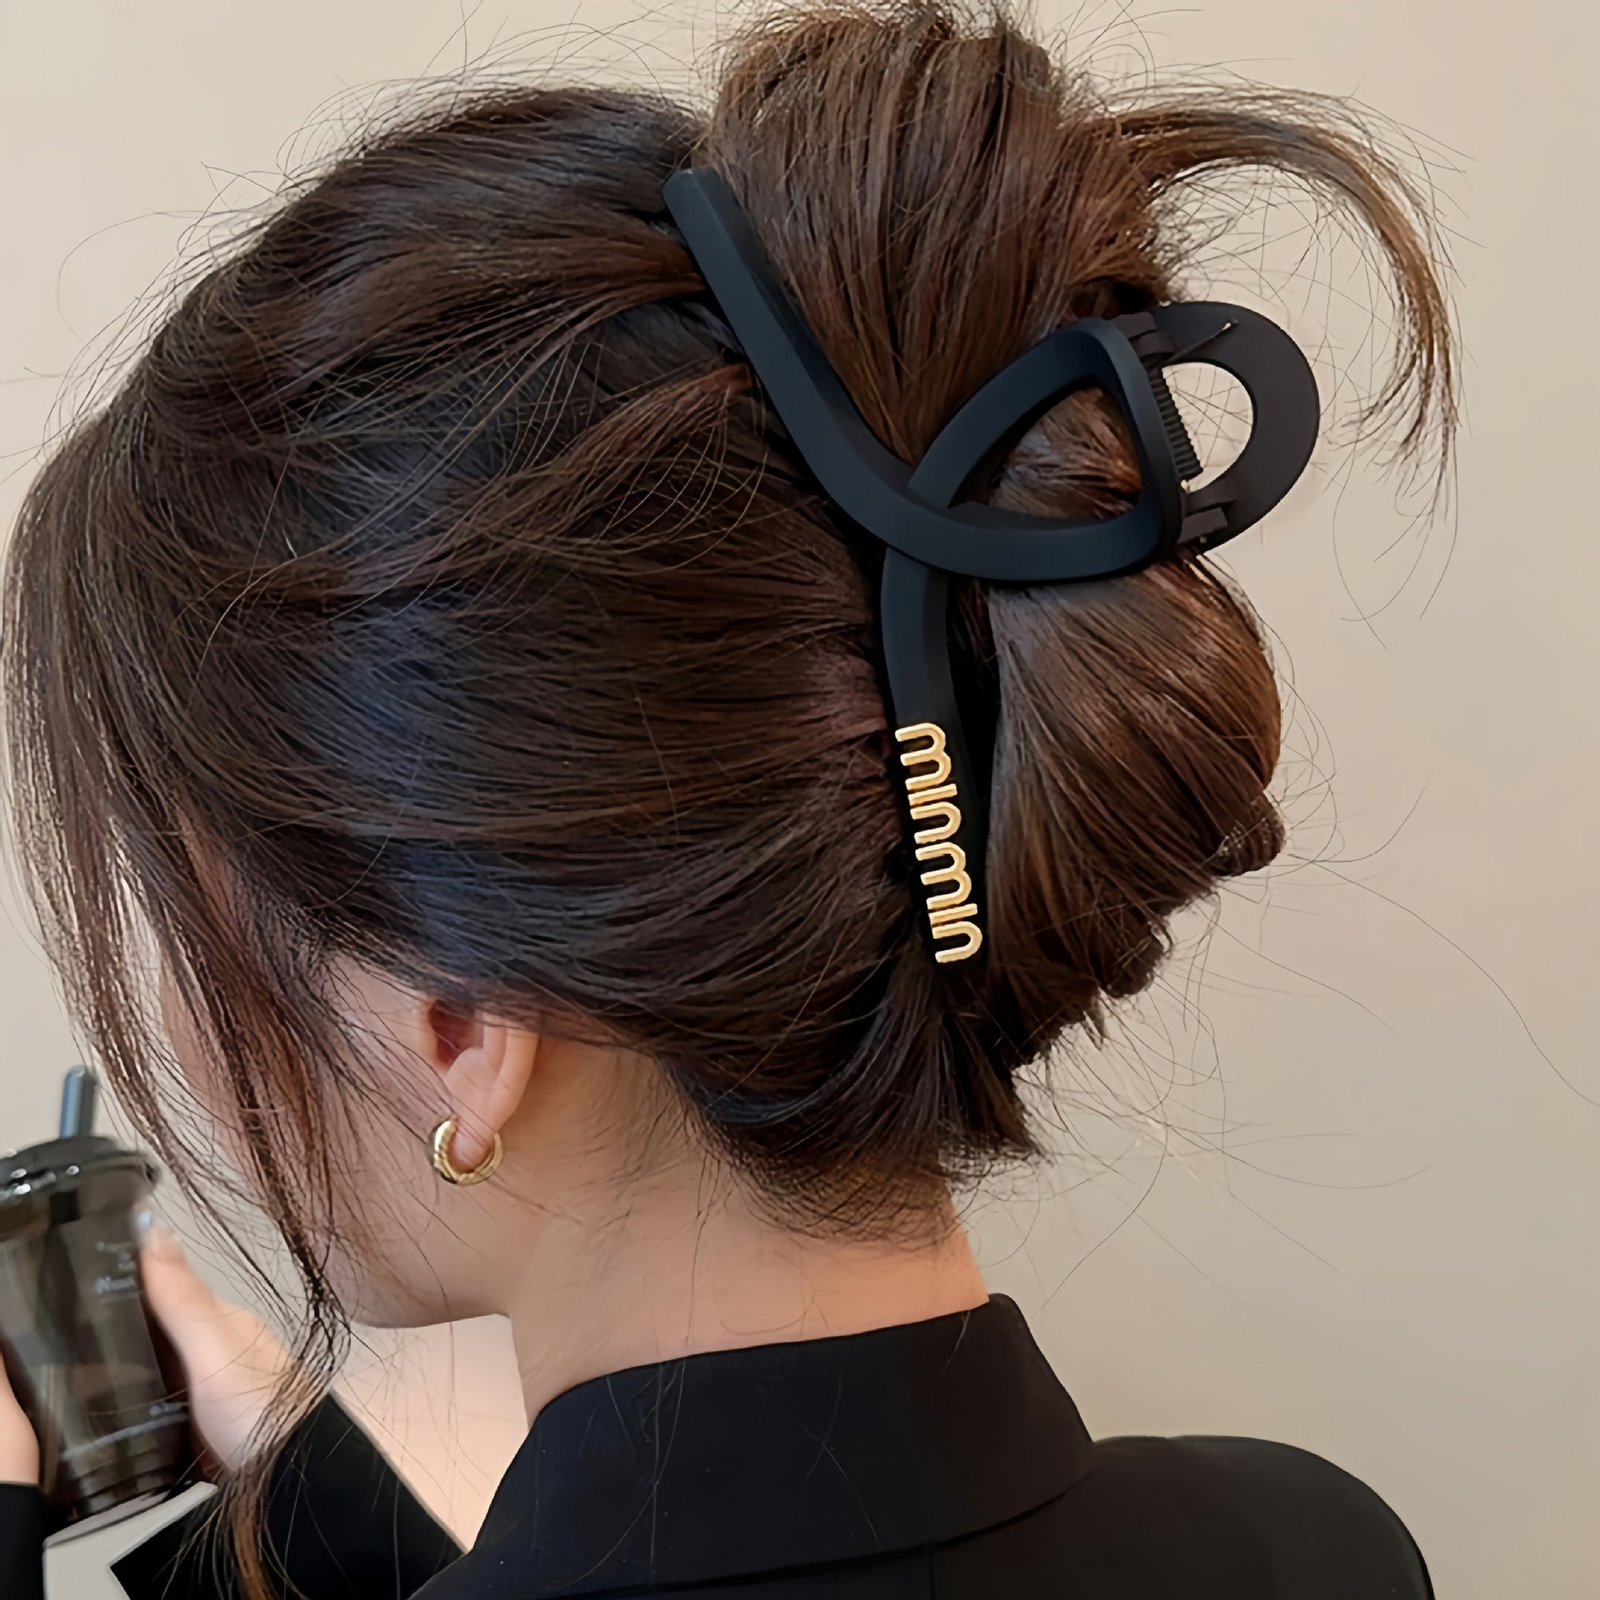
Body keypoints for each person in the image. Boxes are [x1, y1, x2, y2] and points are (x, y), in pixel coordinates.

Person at [0, 3, 1454, 1595]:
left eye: (182, 913)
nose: (176, 1020)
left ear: (460, 1028)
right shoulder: (1317, 1545)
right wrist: (299, 1507)